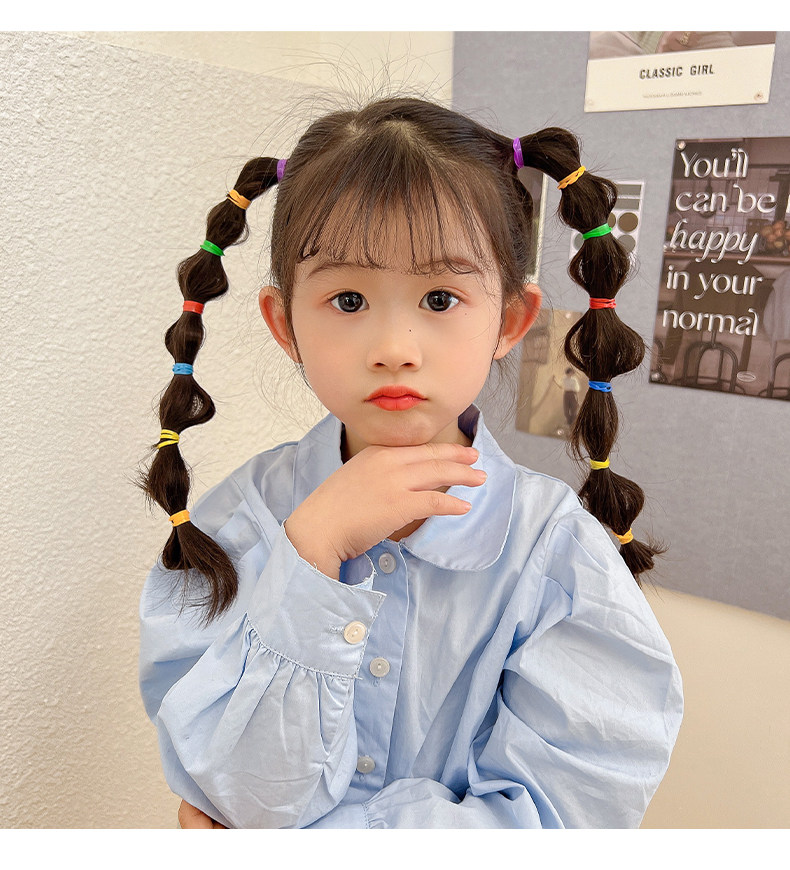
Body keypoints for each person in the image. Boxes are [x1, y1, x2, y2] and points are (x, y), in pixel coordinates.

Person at [138, 96, 683, 829]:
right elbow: (239, 795)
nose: (394, 348)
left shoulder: (554, 551)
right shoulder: (234, 524)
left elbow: (559, 818)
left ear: (510, 321)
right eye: (348, 299)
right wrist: (311, 553)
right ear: (284, 323)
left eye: (439, 297)